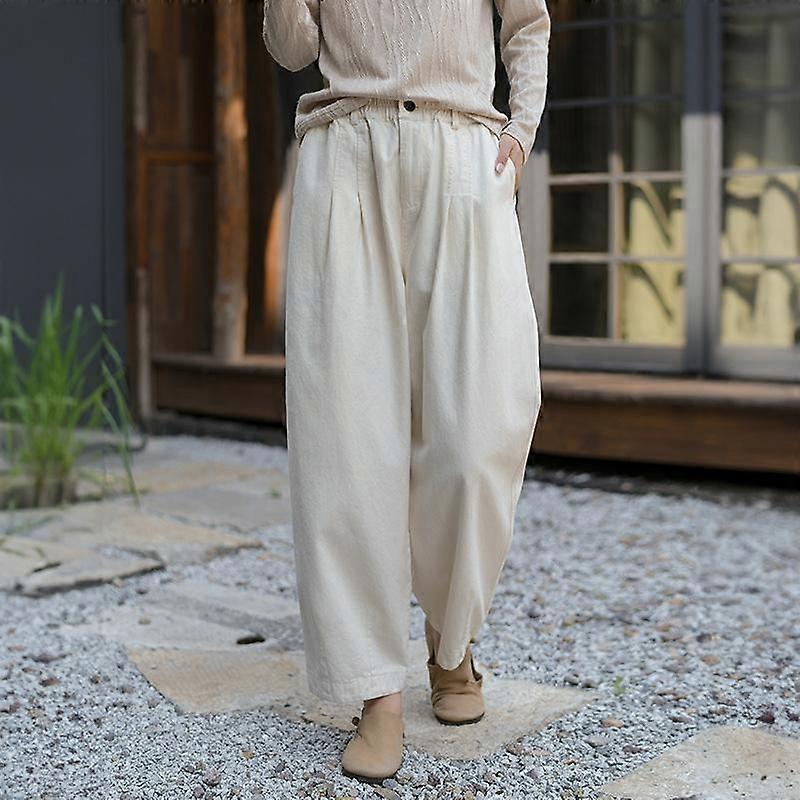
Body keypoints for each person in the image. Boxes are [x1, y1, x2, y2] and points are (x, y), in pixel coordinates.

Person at [263, 0, 550, 783]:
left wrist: (521, 130)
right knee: (345, 435)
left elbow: (526, 24)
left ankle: (450, 638)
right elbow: (291, 48)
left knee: (479, 428)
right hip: (345, 152)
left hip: (464, 152)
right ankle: (376, 691)